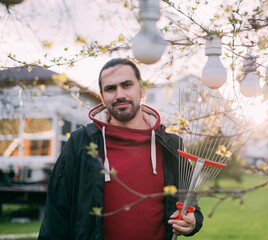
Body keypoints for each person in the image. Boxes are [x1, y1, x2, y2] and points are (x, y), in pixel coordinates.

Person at [38, 58, 203, 240]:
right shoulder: (81, 143)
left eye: (127, 85)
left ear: (142, 90)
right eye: (110, 88)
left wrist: (193, 221)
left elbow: (190, 204)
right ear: (102, 97)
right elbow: (55, 218)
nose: (119, 95)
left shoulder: (170, 146)